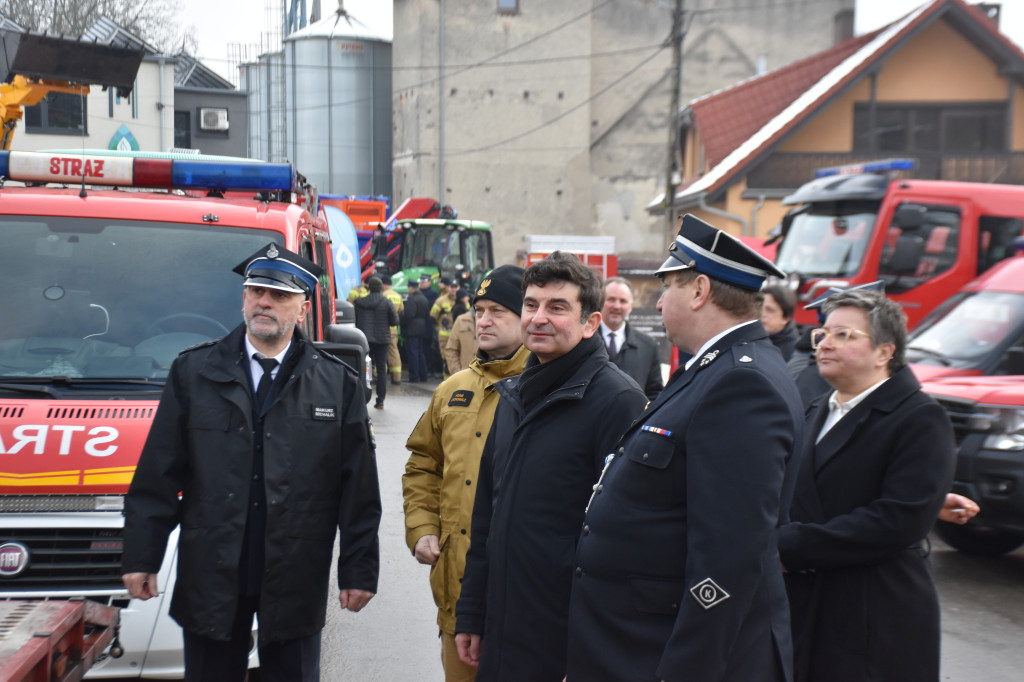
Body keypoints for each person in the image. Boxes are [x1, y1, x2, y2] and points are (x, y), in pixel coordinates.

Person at [121, 243, 381, 682]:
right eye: (257, 291)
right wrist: (140, 555)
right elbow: (158, 474)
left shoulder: (336, 384)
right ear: (243, 298)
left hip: (295, 569)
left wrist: (358, 570)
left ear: (302, 310)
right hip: (212, 568)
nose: (265, 302)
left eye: (280, 296)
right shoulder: (194, 373)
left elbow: (358, 487)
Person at [566, 214, 805, 682]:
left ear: (699, 291)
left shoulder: (741, 382)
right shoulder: (714, 369)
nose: (656, 305)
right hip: (638, 640)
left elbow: (729, 556)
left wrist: (687, 668)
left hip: (667, 652)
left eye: (666, 288)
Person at [455, 252, 647, 681]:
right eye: (531, 304)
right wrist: (471, 613)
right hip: (504, 625)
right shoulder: (514, 394)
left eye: (557, 307)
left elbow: (624, 541)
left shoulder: (618, 402)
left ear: (591, 323)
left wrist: (591, 650)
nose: (538, 318)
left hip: (564, 638)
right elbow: (487, 513)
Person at [777, 288, 956, 682]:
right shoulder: (816, 408)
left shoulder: (920, 418)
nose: (825, 343)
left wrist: (788, 546)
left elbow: (898, 518)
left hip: (872, 611)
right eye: (822, 334)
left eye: (844, 335)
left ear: (884, 352)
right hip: (808, 604)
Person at [403, 265, 530, 682]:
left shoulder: (548, 386)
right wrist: (423, 527)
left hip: (528, 603)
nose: (484, 320)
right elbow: (423, 464)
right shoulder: (453, 389)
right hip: (457, 596)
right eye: (479, 309)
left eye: (498, 310)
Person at [600, 276, 664, 400]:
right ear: (600, 301)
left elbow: (654, 393)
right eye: (611, 299)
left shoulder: (648, 346)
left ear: (631, 306)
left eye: (623, 301)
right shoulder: (583, 340)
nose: (617, 306)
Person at [354, 276, 400, 409]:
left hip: (365, 340)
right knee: (381, 369)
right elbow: (395, 321)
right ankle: (380, 401)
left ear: (369, 287)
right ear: (381, 288)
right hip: (382, 340)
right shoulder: (387, 302)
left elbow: (356, 320)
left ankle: (361, 400)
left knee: (362, 368)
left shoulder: (359, 302)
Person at [402, 279, 431, 382]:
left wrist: (402, 323)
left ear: (411, 287)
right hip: (421, 328)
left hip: (411, 329)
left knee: (412, 353)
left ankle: (414, 376)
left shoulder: (412, 299)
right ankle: (423, 375)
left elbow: (408, 315)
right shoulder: (424, 298)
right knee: (420, 353)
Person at [762, 283, 798, 362]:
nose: (762, 314)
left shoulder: (793, 354)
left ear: (786, 318)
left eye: (770, 310)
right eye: (759, 308)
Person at [432, 278, 459, 378]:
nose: (453, 290)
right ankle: (447, 382)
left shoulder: (462, 299)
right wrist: (439, 327)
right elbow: (433, 316)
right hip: (445, 335)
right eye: (452, 287)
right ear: (448, 288)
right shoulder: (441, 300)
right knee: (446, 359)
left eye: (455, 287)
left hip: (458, 335)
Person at [381, 275, 405, 385]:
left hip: (383, 329)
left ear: (384, 284)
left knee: (381, 353)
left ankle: (380, 377)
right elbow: (401, 312)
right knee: (394, 352)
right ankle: (397, 378)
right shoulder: (398, 296)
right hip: (394, 329)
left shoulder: (383, 295)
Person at [444, 308, 478, 374]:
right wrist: (457, 373)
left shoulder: (494, 320)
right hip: (465, 377)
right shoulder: (461, 320)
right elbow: (451, 349)